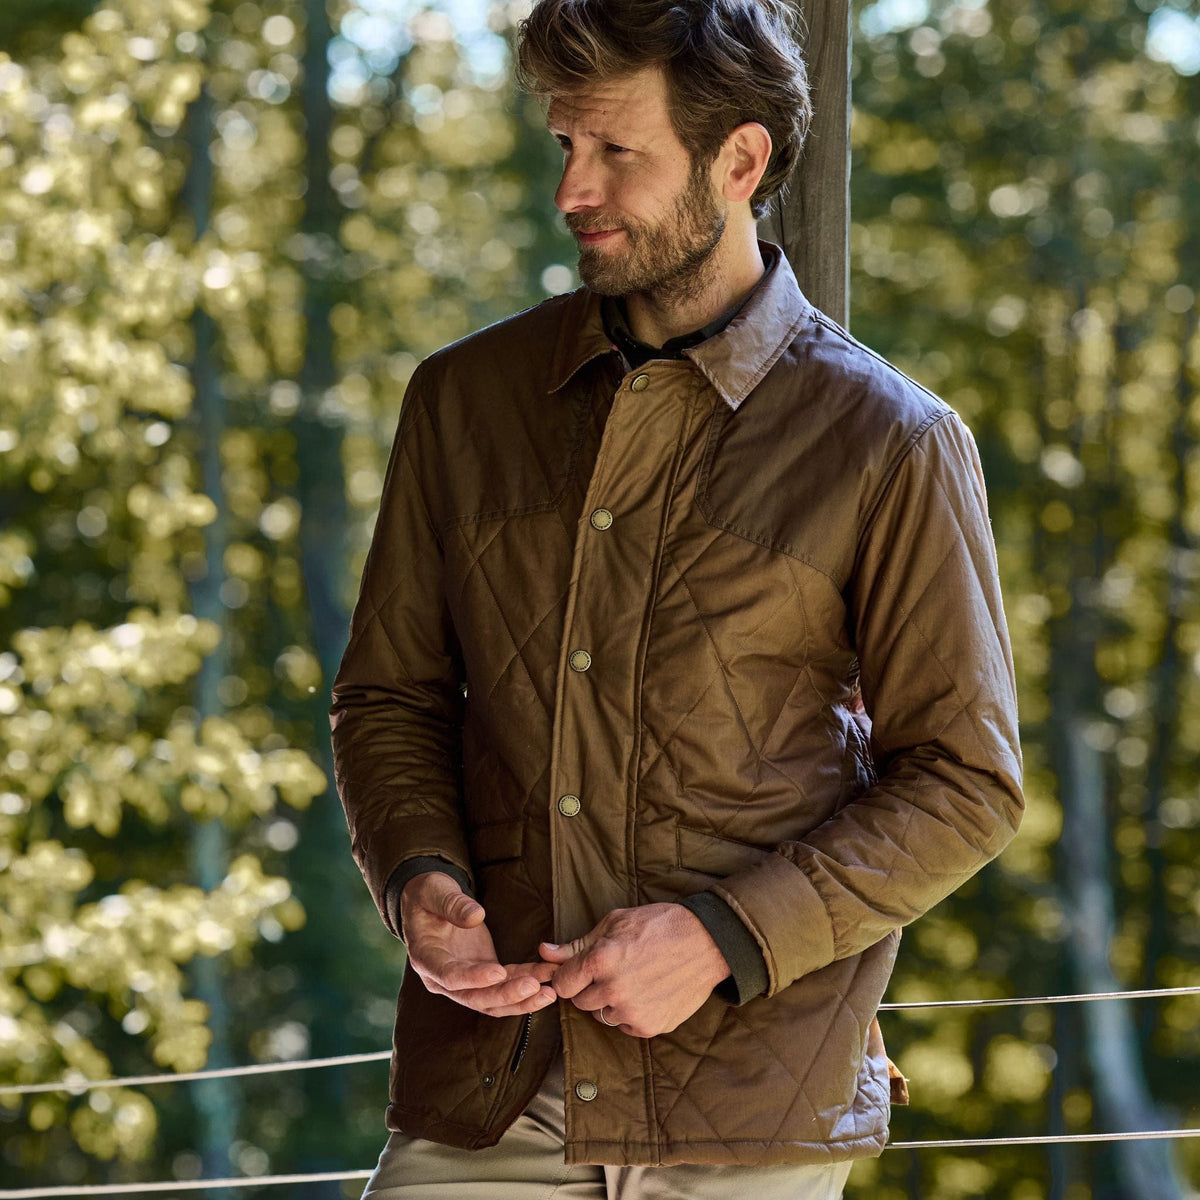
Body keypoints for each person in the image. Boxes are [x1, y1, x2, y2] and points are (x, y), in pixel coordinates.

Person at [329, 0, 1024, 1195]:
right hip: (492, 1081)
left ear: (739, 160)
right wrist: (419, 880)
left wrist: (721, 935)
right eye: (565, 147)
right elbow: (389, 694)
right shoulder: (462, 401)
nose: (572, 193)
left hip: (756, 1094)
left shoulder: (889, 440)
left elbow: (967, 783)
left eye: (617, 154)